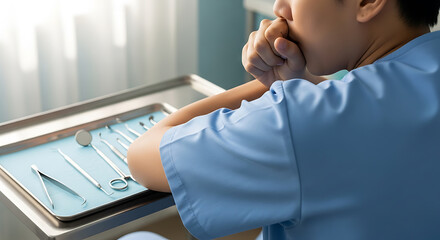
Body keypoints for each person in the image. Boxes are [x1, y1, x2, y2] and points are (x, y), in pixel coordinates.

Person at [127, 0, 440, 239]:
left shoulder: (302, 121)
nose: (279, 8)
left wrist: (270, 88)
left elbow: (143, 156)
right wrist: (295, 84)